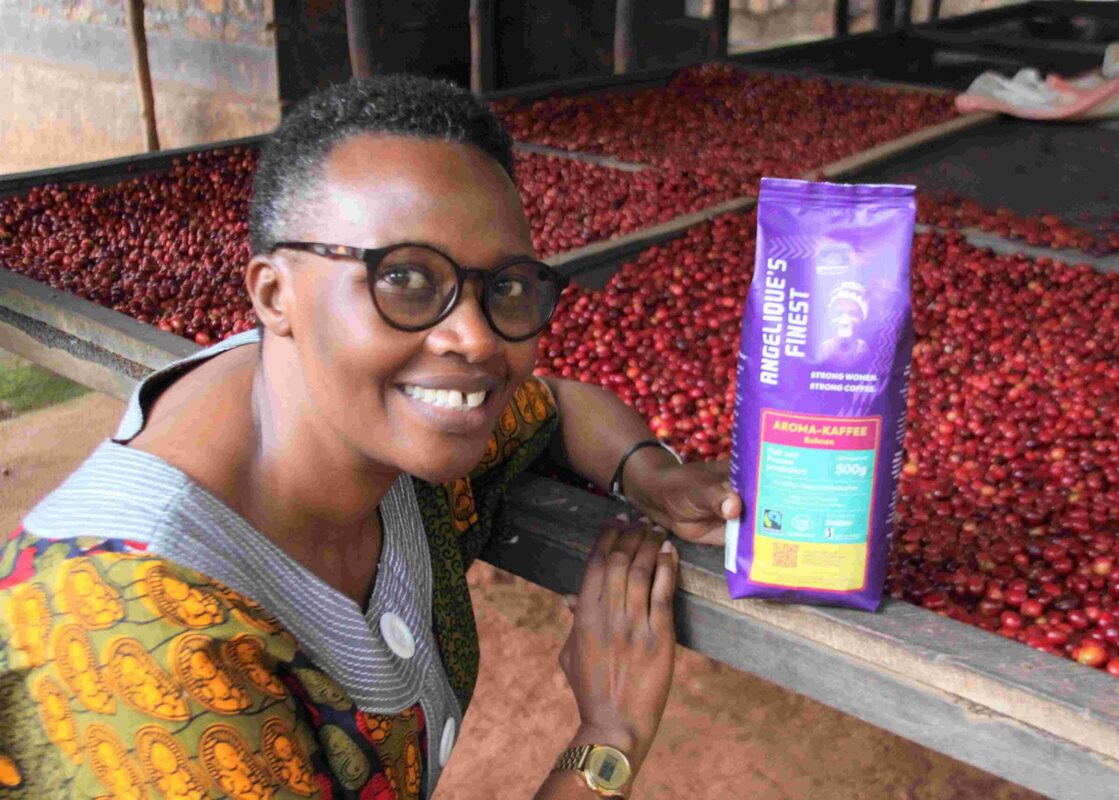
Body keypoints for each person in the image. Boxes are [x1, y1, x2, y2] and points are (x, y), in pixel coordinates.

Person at [0, 75, 741, 799]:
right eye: (405, 279)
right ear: (273, 294)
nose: (477, 339)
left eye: (508, 288)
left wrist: (653, 477)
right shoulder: (138, 646)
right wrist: (607, 741)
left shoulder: (375, 422)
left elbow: (561, 406)